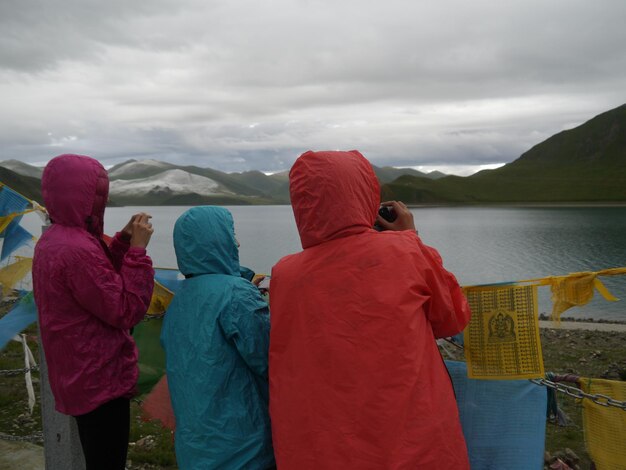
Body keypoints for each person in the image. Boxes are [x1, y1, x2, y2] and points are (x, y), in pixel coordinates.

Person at [269, 150, 472, 469]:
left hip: (316, 449)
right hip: (412, 445)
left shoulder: (284, 274)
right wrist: (412, 237)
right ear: (365, 193)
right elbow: (452, 319)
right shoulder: (405, 251)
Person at [32, 153, 155, 470]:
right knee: (106, 462)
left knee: (99, 457)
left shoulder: (55, 240)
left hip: (78, 372)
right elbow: (125, 310)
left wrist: (123, 242)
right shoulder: (78, 249)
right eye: (97, 194)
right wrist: (138, 254)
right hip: (100, 379)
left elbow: (99, 286)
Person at [161, 206, 275, 470]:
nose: (237, 242)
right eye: (230, 233)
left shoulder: (180, 299)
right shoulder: (236, 295)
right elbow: (269, 360)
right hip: (243, 447)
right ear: (218, 239)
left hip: (196, 447)